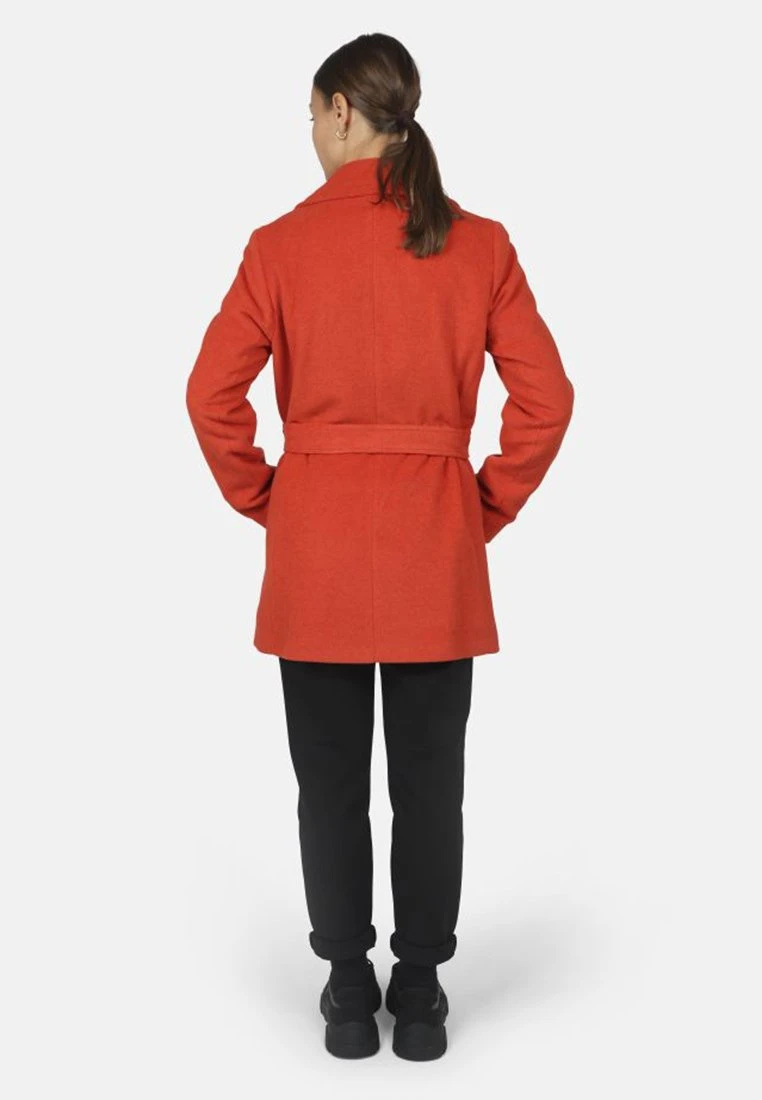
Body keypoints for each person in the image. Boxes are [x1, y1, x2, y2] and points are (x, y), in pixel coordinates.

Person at [185, 33, 574, 1061]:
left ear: (343, 112)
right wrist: (477, 512)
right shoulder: (479, 244)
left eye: (313, 115)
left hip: (314, 553)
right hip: (433, 555)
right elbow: (547, 400)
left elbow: (209, 395)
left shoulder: (279, 246)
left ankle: (350, 991)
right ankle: (425, 992)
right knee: (430, 784)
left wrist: (272, 502)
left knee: (328, 784)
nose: (312, 134)